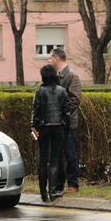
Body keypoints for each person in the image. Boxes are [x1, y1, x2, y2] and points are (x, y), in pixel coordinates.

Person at [31, 65, 70, 202]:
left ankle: (43, 194)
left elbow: (35, 112)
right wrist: (64, 125)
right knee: (54, 160)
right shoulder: (62, 91)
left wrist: (34, 127)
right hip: (58, 128)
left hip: (43, 128)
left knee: (43, 160)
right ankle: (53, 192)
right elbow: (67, 112)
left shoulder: (39, 91)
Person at [49, 48, 82, 194]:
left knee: (70, 155)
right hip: (54, 125)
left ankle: (73, 185)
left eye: (50, 57)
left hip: (67, 124)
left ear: (56, 58)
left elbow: (75, 100)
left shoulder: (72, 76)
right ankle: (58, 185)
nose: (49, 60)